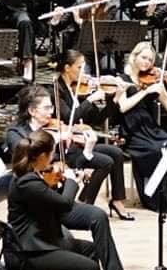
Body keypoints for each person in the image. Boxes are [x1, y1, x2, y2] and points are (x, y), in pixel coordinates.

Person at [2, 85, 138, 270]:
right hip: (37, 207)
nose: (52, 112)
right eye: (47, 108)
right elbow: (24, 161)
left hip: (57, 197)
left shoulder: (56, 131)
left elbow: (70, 164)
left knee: (98, 216)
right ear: (32, 111)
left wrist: (87, 152)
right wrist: (53, 145)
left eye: (51, 107)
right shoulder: (16, 133)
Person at [5, 130, 130, 270]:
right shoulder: (28, 182)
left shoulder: (29, 176)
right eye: (51, 153)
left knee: (91, 251)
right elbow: (64, 204)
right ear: (42, 156)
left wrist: (62, 182)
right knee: (88, 268)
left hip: (40, 240)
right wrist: (72, 180)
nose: (53, 158)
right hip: (29, 252)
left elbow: (49, 200)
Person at [52, 49, 134, 219]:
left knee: (116, 152)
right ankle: (85, 202)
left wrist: (115, 98)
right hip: (68, 147)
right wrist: (90, 99)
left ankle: (117, 200)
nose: (84, 73)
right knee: (106, 162)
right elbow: (69, 116)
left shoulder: (80, 88)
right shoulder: (56, 89)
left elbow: (97, 119)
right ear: (67, 68)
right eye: (79, 67)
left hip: (84, 142)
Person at [115, 43, 167, 209]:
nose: (147, 62)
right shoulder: (122, 79)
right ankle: (154, 196)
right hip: (132, 131)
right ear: (134, 57)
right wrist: (145, 92)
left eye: (150, 60)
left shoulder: (154, 81)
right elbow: (123, 106)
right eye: (144, 57)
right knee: (156, 151)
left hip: (151, 128)